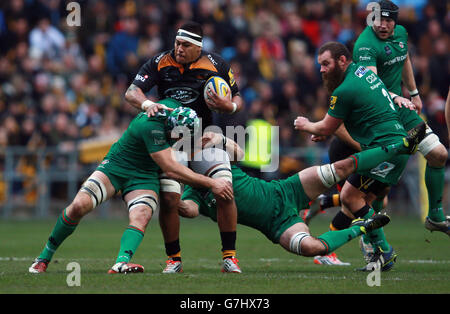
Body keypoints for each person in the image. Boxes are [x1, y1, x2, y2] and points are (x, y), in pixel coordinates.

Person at [28, 102, 234, 274]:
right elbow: (171, 168)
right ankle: (43, 258)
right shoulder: (151, 127)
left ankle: (120, 263)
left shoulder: (174, 110)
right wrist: (212, 183)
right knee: (79, 206)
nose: (179, 141)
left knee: (142, 214)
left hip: (144, 175)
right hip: (118, 165)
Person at [177, 130, 423, 267]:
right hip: (277, 225)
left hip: (286, 189)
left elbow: (240, 153)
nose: (195, 151)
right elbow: (188, 210)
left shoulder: (216, 157)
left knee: (341, 167)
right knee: (310, 247)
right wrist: (172, 199)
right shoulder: (193, 189)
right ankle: (364, 227)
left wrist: (220, 139)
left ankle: (400, 145)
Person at [124, 21, 245, 273]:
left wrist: (229, 106)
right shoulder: (160, 61)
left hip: (204, 138)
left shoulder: (217, 64)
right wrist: (147, 104)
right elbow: (132, 91)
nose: (179, 48)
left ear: (198, 47)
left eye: (185, 45)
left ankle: (230, 257)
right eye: (177, 43)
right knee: (169, 198)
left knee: (225, 189)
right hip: (172, 140)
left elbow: (237, 96)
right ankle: (174, 259)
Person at [294, 41, 426, 271]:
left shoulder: (344, 90)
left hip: (381, 150)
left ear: (342, 61)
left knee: (351, 197)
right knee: (365, 200)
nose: (322, 70)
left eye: (326, 64)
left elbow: (326, 127)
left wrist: (305, 125)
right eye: (320, 65)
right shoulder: (363, 73)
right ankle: (379, 249)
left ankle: (378, 249)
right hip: (393, 145)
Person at [352, 0, 449, 235]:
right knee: (377, 189)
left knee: (439, 154)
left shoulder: (401, 34)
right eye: (378, 20)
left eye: (388, 20)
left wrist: (414, 93)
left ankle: (435, 216)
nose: (383, 25)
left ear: (396, 22)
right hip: (378, 116)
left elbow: (404, 58)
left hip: (402, 111)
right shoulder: (365, 45)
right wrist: (397, 97)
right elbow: (372, 86)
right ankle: (372, 242)